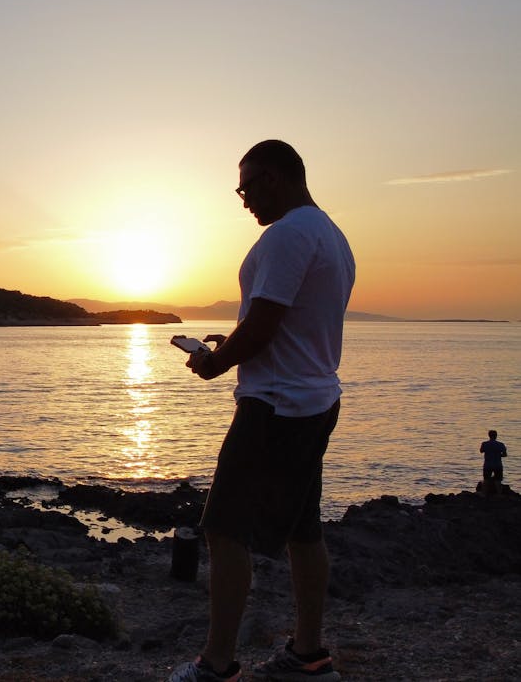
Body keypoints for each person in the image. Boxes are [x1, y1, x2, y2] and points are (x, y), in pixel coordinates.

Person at [168, 140, 355, 682]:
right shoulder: (331, 235)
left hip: (275, 407)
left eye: (247, 187)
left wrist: (215, 361)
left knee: (224, 529)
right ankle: (308, 655)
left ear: (274, 177)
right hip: (315, 399)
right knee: (303, 530)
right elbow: (283, 325)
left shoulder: (287, 236)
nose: (244, 199)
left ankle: (217, 665)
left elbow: (265, 326)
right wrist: (235, 343)